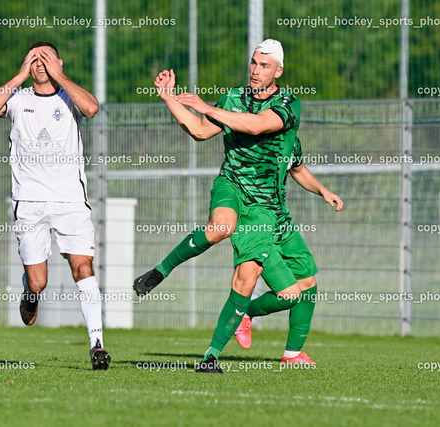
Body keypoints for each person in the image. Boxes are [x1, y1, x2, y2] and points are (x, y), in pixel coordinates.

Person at [134, 39, 340, 373]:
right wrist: (169, 98)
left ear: (279, 71)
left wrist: (324, 191)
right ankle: (166, 279)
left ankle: (290, 352)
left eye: (264, 66)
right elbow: (200, 131)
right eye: (254, 63)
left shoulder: (289, 106)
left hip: (271, 210)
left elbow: (278, 146)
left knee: (302, 290)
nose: (256, 70)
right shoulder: (232, 98)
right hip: (233, 188)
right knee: (223, 232)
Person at [0, 42, 110, 370]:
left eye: (46, 58)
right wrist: (20, 75)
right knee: (39, 282)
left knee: (84, 268)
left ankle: (97, 345)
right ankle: (29, 292)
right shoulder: (19, 99)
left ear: (59, 62)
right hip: (30, 202)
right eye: (34, 58)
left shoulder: (69, 96)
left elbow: (92, 108)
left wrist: (60, 76)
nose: (41, 63)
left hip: (70, 201)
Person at [232, 136, 343, 363]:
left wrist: (323, 191)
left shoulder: (290, 139)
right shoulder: (249, 134)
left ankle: (292, 354)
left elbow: (298, 170)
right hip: (256, 226)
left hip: (282, 223)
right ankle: (244, 312)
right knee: (289, 295)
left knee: (307, 282)